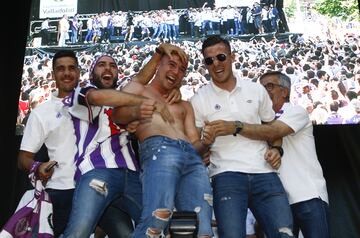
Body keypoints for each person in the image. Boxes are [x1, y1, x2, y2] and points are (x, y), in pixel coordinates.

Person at [17, 50, 143, 238]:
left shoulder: (98, 100)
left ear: (79, 72)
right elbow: (23, 159)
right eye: (60, 69)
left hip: (100, 185)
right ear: (53, 74)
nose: (66, 73)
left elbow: (136, 86)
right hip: (62, 189)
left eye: (71, 68)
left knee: (127, 234)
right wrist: (38, 166)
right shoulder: (41, 113)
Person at [60, 48, 179, 238]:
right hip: (97, 170)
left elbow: (140, 79)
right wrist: (146, 101)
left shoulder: (124, 100)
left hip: (133, 175)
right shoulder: (81, 93)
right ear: (92, 74)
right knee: (78, 233)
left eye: (113, 65)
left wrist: (158, 54)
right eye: (101, 65)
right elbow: (98, 97)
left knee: (157, 225)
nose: (108, 68)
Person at [190, 35, 293, 238]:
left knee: (284, 234)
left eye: (221, 57)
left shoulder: (256, 90)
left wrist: (276, 149)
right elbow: (195, 148)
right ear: (205, 64)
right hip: (225, 176)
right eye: (209, 60)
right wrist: (205, 142)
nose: (216, 64)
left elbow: (273, 131)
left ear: (232, 57)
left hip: (265, 173)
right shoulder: (198, 99)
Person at [116, 43, 214, 237]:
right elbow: (118, 115)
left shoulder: (185, 105)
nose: (176, 72)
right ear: (158, 66)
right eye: (171, 64)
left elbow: (195, 145)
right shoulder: (139, 89)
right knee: (156, 220)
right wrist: (138, 110)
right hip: (160, 149)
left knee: (202, 229)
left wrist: (207, 141)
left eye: (182, 69)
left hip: (192, 161)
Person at [258, 71, 330, 237]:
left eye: (270, 86)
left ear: (285, 91)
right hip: (278, 202)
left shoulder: (296, 112)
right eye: (261, 88)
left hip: (307, 195)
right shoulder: (258, 121)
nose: (264, 92)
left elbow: (274, 132)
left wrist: (239, 126)